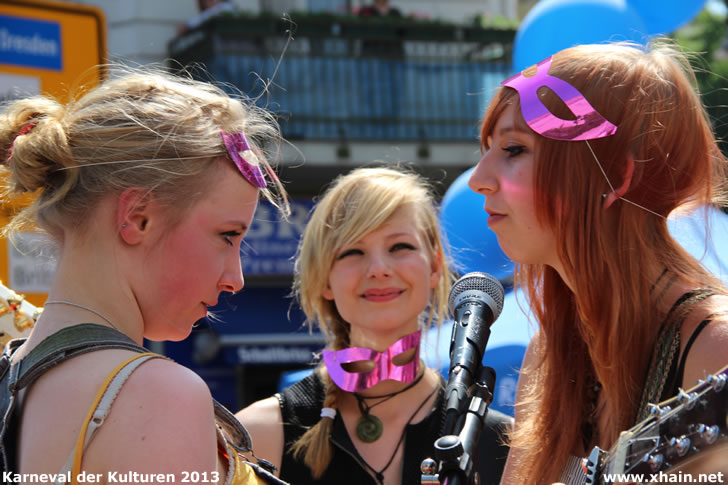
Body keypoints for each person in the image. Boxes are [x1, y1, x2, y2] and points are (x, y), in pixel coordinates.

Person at [0, 67, 289, 484]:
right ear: (137, 219)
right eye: (227, 236)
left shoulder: (11, 378)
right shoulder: (157, 395)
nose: (236, 278)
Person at [467, 40, 728, 484]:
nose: (478, 180)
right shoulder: (547, 355)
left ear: (616, 175)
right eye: (487, 149)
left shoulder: (714, 350)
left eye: (514, 150)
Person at [236, 166, 512, 485]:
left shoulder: (499, 441)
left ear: (435, 266)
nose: (379, 269)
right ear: (325, 278)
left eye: (400, 247)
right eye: (353, 251)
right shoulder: (261, 433)